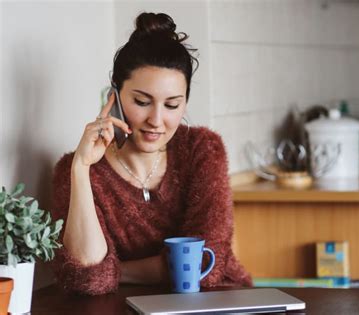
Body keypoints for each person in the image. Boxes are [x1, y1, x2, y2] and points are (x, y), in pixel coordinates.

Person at [51, 12, 252, 295]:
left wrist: (115, 270)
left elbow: (204, 268)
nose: (156, 120)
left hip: (219, 301)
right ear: (114, 98)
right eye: (142, 102)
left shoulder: (202, 149)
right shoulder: (73, 171)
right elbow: (89, 279)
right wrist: (81, 168)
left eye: (172, 105)